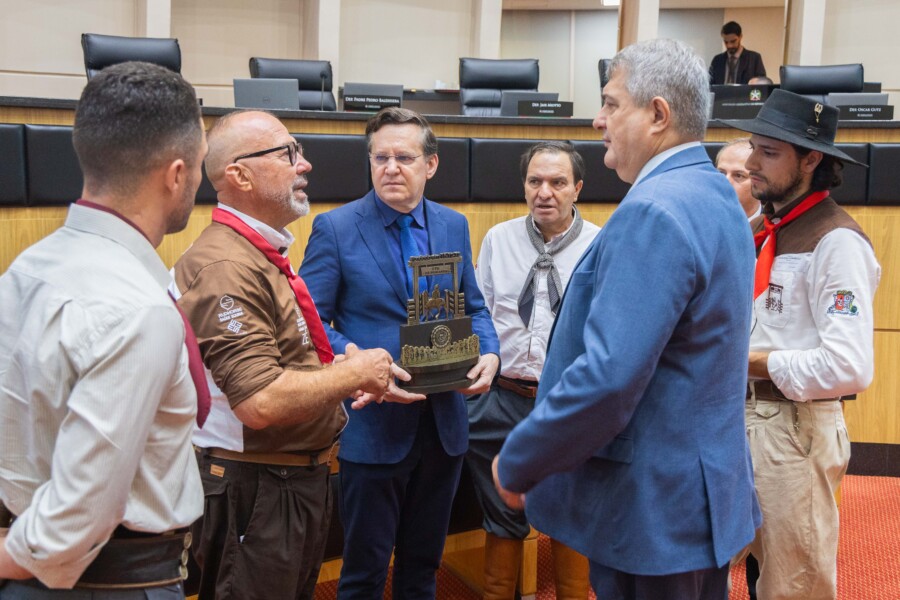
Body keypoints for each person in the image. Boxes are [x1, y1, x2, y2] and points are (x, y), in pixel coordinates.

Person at [493, 39, 761, 600]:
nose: (599, 120)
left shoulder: (655, 210)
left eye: (612, 104)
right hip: (698, 493)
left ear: (658, 114)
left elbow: (610, 377)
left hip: (654, 507)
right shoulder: (715, 192)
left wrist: (520, 460)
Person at [0, 61, 208, 596]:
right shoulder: (138, 308)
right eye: (200, 165)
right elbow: (72, 525)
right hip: (112, 583)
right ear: (176, 175)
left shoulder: (26, 268)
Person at [172, 110, 392, 600]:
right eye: (288, 153)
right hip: (257, 486)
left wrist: (342, 371)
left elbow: (280, 362)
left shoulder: (257, 253)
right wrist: (354, 371)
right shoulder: (226, 265)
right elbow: (260, 400)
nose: (304, 164)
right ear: (240, 175)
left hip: (287, 479)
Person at [299, 107, 500, 599]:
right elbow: (308, 323)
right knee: (364, 574)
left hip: (444, 425)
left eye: (404, 158)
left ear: (430, 164)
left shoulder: (453, 224)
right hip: (375, 426)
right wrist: (354, 357)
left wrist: (491, 354)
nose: (391, 167)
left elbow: (474, 307)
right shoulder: (336, 228)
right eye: (380, 157)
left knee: (423, 568)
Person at [721, 89, 881, 599]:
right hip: (735, 416)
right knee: (737, 570)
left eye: (768, 152)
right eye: (754, 147)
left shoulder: (837, 242)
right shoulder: (759, 229)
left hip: (793, 429)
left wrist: (742, 362)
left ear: (811, 160)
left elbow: (849, 367)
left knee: (792, 586)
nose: (751, 163)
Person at [467, 141, 599, 600]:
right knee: (501, 520)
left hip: (567, 406)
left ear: (577, 188)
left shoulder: (601, 245)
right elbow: (479, 316)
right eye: (535, 181)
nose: (545, 192)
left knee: (569, 518)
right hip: (501, 401)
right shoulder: (498, 239)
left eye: (558, 182)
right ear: (523, 186)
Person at [716, 138, 760, 219]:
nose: (725, 182)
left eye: (739, 175)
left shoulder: (775, 221)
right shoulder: (697, 218)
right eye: (721, 173)